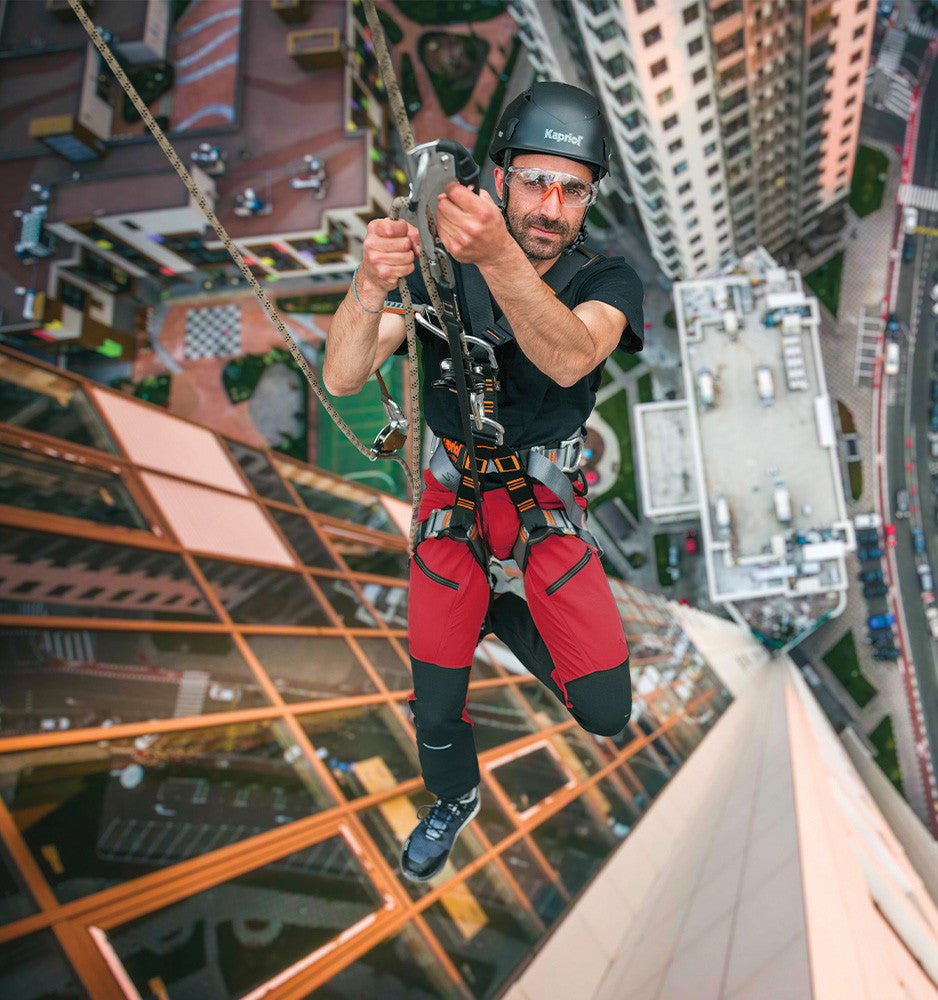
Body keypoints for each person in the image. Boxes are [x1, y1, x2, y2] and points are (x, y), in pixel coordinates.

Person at [323, 82, 643, 883]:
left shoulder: (606, 280)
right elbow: (344, 372)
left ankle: (499, 610)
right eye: (535, 179)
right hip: (453, 496)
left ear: (588, 202)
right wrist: (370, 285)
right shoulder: (438, 273)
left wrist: (493, 254)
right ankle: (454, 796)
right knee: (433, 712)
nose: (552, 204)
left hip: (541, 503)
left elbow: (570, 354)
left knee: (606, 712)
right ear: (499, 178)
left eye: (574, 189)